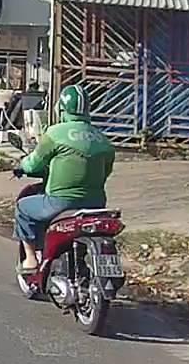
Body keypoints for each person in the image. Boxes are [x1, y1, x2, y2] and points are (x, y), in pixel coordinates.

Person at [13, 84, 115, 272]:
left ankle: (30, 260)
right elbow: (106, 173)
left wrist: (21, 165)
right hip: (96, 203)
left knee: (22, 208)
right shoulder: (102, 138)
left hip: (59, 203)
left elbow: (33, 164)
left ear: (61, 108)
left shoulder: (54, 133)